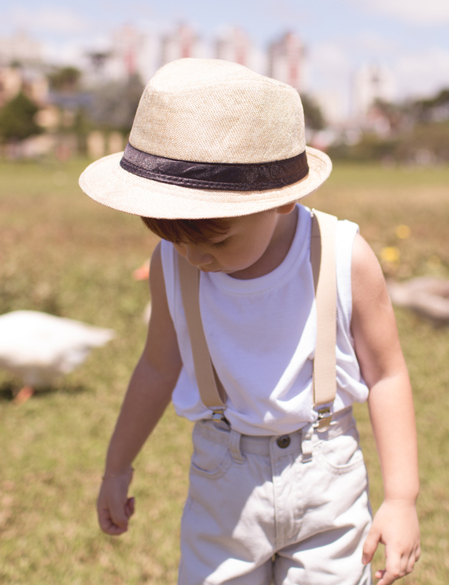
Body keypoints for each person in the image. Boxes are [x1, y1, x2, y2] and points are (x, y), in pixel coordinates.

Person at [79, 58, 420, 584]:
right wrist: (117, 465)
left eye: (214, 239)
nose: (193, 256)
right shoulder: (172, 262)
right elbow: (156, 367)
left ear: (284, 200)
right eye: (174, 236)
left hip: (326, 475)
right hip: (223, 480)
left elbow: (387, 375)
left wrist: (401, 498)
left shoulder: (342, 257)